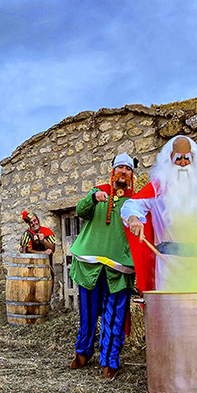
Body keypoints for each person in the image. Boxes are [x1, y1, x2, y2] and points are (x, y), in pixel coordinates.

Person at [68, 153, 137, 379]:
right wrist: (93, 198)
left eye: (128, 168)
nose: (123, 171)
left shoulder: (136, 201)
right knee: (87, 314)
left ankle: (109, 359)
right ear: (112, 171)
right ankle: (83, 353)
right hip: (91, 263)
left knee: (113, 316)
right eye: (120, 167)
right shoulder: (97, 192)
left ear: (132, 174)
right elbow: (80, 211)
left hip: (118, 267)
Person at [120, 136, 197, 292]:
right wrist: (134, 219)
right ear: (170, 159)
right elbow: (130, 205)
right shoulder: (158, 189)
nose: (183, 163)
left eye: (187, 158)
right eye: (179, 158)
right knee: (171, 311)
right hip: (169, 263)